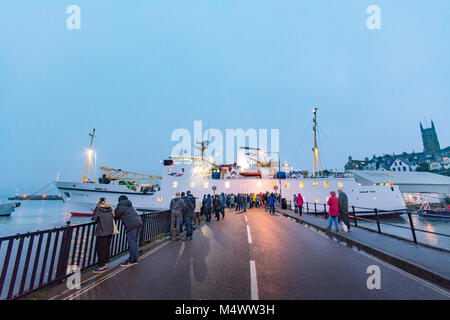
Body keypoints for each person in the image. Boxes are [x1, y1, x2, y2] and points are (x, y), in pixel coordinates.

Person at [115, 195, 144, 266]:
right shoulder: (130, 206)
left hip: (131, 226)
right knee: (135, 242)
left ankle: (131, 261)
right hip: (139, 223)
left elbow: (115, 215)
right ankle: (135, 259)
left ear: (119, 200)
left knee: (132, 243)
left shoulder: (120, 207)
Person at [92, 197, 116, 273]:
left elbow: (94, 219)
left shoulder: (98, 208)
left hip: (102, 231)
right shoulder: (110, 208)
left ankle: (101, 266)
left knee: (100, 249)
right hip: (109, 231)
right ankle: (105, 264)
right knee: (106, 248)